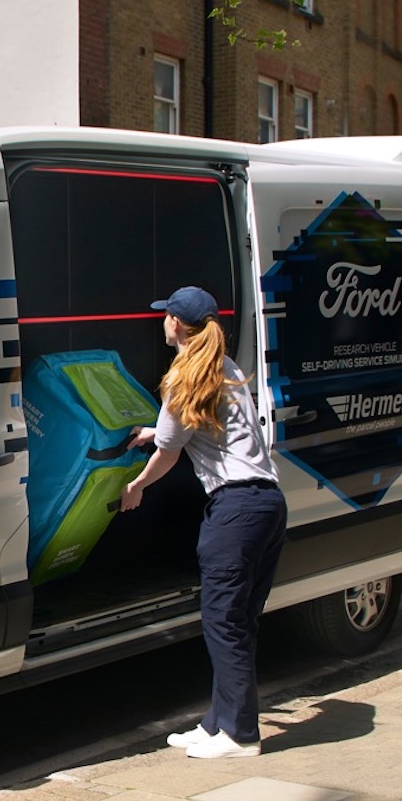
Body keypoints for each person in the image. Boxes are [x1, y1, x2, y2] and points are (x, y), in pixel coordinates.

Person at [120, 286, 287, 759]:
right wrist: (158, 431)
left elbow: (169, 455)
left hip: (233, 512)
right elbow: (193, 427)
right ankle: (218, 723)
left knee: (223, 621)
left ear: (175, 324)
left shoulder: (181, 379)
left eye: (166, 315)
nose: (163, 321)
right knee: (239, 621)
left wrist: (137, 487)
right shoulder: (223, 368)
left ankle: (239, 735)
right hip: (267, 504)